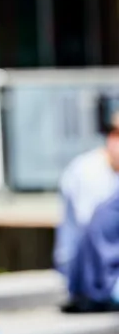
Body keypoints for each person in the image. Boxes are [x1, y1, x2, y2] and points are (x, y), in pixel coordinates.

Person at [55, 106, 119, 283]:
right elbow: (94, 234)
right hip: (86, 270)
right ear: (113, 138)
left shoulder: (114, 172)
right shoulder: (89, 172)